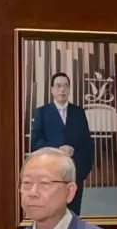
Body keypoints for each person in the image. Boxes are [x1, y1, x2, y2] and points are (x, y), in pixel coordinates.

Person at [30, 72, 95, 215]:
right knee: (52, 214)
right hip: (50, 175)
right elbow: (36, 143)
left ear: (69, 89)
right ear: (52, 90)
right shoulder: (42, 112)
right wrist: (58, 150)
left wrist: (82, 172)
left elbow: (87, 144)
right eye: (58, 86)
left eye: (66, 86)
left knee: (73, 215)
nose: (62, 90)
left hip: (75, 175)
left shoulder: (78, 112)